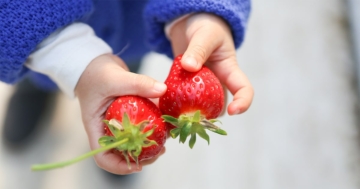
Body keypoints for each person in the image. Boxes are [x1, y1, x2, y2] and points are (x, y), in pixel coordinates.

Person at [0, 0, 254, 175]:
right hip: (34, 29)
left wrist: (201, 11)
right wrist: (63, 52)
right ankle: (36, 93)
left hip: (133, 24)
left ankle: (128, 139)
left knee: (131, 76)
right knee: (40, 75)